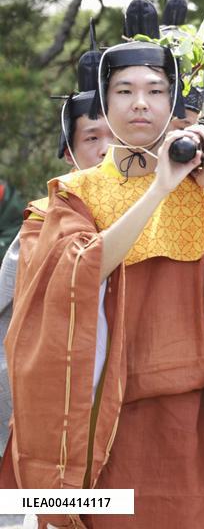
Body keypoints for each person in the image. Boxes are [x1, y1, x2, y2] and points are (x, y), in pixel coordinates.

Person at [2, 35, 204, 528]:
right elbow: (77, 275)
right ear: (105, 104)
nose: (139, 104)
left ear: (172, 101)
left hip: (196, 421)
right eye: (124, 91)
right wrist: (158, 190)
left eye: (154, 90)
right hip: (105, 424)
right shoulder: (74, 195)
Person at [0, 85, 113, 456]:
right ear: (69, 152)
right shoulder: (43, 221)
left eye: (115, 135)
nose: (106, 149)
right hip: (65, 390)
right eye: (92, 137)